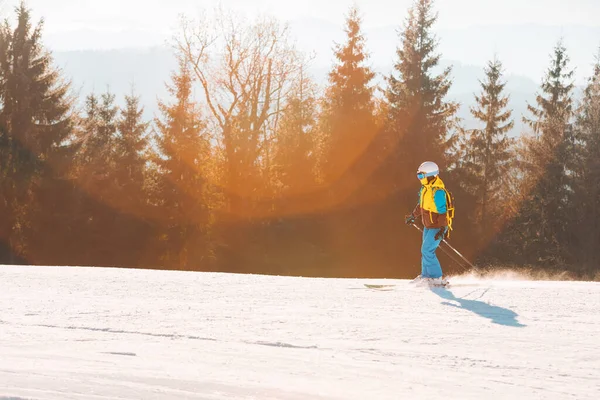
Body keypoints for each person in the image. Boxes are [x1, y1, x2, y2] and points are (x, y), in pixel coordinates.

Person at [405, 161, 451, 286]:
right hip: (428, 225)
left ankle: (436, 277)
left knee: (427, 250)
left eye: (421, 176)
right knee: (424, 250)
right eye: (418, 176)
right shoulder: (425, 189)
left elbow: (443, 212)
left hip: (437, 226)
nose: (420, 179)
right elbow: (421, 206)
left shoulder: (438, 192)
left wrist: (442, 229)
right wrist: (413, 216)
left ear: (430, 175)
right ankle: (426, 276)